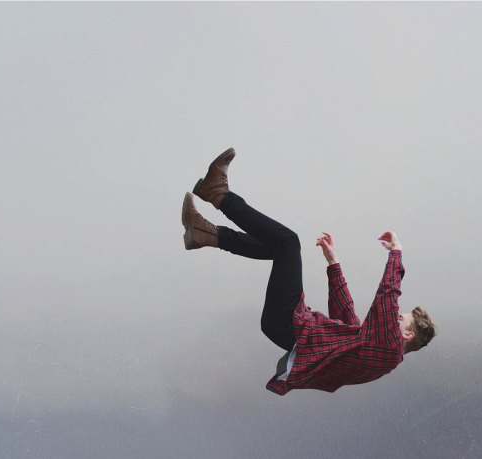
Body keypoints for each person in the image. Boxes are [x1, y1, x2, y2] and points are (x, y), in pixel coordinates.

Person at [181, 148, 436, 395]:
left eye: (401, 320)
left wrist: (396, 254)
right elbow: (348, 322)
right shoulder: (377, 351)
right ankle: (205, 234)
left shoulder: (390, 349)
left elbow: (387, 298)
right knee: (278, 247)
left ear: (408, 335)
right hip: (288, 328)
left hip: (292, 326)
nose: (395, 318)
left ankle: (218, 194)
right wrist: (334, 265)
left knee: (287, 242)